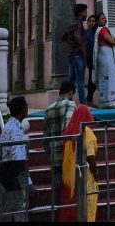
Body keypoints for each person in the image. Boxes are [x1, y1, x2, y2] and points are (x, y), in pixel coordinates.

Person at [58, 103, 98, 222]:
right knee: (88, 206)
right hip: (85, 175)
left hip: (71, 176)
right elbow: (90, 156)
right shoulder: (86, 132)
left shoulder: (70, 131)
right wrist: (95, 172)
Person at [43, 81, 77, 209]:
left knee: (56, 191)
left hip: (54, 156)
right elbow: (69, 127)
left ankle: (57, 215)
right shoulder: (70, 104)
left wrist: (50, 152)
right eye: (72, 94)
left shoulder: (48, 109)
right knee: (70, 190)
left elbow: (45, 138)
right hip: (68, 156)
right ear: (69, 93)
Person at [0, 95, 31, 192]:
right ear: (23, 109)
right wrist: (29, 183)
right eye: (27, 105)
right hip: (9, 175)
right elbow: (18, 157)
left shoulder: (12, 126)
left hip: (8, 173)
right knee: (15, 205)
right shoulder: (13, 130)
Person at [94, 12, 115, 108]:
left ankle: (106, 102)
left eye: (105, 18)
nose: (105, 20)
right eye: (102, 18)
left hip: (106, 56)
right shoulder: (103, 30)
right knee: (111, 79)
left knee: (107, 79)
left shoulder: (100, 30)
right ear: (98, 21)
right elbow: (113, 41)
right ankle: (112, 102)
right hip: (106, 57)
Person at [61, 3, 88, 106]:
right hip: (78, 55)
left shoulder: (71, 24)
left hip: (71, 55)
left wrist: (69, 47)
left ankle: (67, 102)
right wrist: (83, 48)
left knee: (71, 81)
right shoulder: (79, 24)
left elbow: (63, 37)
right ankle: (83, 104)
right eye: (85, 12)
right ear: (81, 13)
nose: (86, 14)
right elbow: (77, 35)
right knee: (80, 81)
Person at [83, 14, 98, 104]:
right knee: (91, 79)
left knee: (94, 80)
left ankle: (89, 99)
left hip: (96, 58)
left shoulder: (96, 33)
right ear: (87, 23)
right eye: (90, 21)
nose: (92, 23)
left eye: (93, 21)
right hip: (89, 58)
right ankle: (89, 100)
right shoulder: (86, 33)